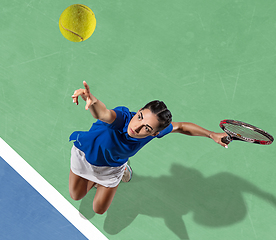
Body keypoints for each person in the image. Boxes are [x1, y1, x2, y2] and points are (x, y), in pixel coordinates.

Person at [69, 81, 228, 214]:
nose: (137, 127)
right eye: (139, 117)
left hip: (112, 166)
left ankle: (119, 172)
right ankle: (98, 179)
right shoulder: (122, 118)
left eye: (147, 128)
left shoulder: (156, 132)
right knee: (76, 196)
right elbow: (103, 114)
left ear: (154, 134)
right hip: (85, 154)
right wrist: (93, 101)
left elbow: (181, 127)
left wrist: (211, 134)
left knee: (99, 209)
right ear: (138, 111)